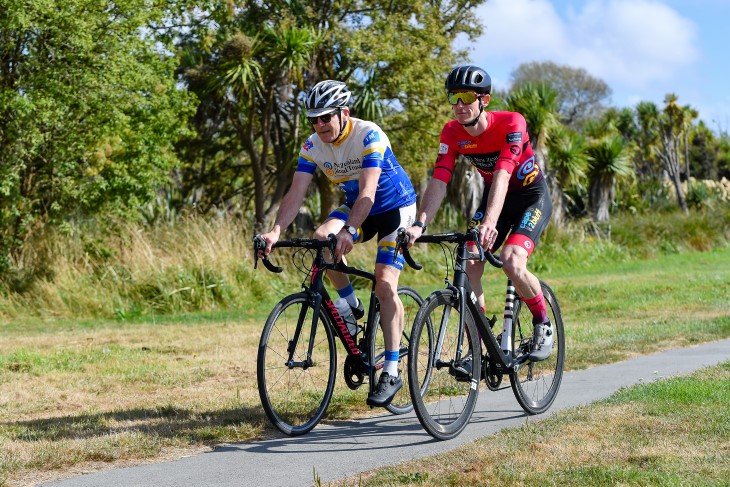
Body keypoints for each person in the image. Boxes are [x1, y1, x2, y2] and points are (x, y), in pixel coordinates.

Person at [258, 80, 418, 405]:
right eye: (313, 119)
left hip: (394, 208)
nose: (319, 125)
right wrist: (275, 231)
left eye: (326, 117)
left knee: (385, 284)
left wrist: (349, 230)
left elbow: (369, 193)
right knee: (322, 239)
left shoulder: (369, 134)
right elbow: (295, 193)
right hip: (357, 205)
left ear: (344, 113)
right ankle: (348, 307)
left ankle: (390, 368)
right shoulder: (312, 144)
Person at [405, 65, 554, 361]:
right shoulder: (452, 132)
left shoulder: (512, 123)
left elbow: (502, 174)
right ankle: (480, 341)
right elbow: (440, 179)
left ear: (483, 99)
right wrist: (419, 224)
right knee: (470, 260)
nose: (459, 105)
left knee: (512, 261)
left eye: (465, 97)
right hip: (495, 199)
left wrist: (489, 223)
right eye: (453, 97)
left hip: (529, 197)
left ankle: (543, 323)